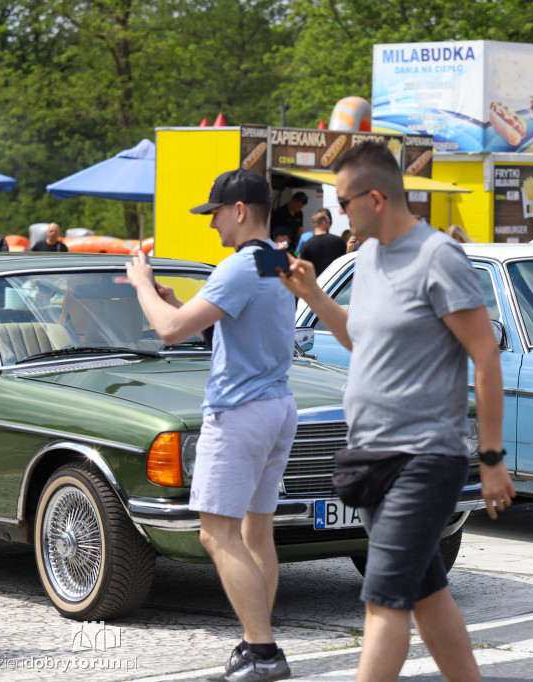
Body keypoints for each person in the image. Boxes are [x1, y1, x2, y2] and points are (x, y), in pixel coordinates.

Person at [279, 141, 514, 682]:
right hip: (372, 457)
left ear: (377, 198)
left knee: (384, 602)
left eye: (344, 201)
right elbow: (360, 338)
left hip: (425, 457)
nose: (340, 213)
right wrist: (313, 294)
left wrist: (493, 455)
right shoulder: (368, 257)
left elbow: (484, 353)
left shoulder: (438, 258)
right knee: (427, 593)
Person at [126, 169, 298, 682]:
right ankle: (255, 642)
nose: (212, 224)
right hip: (277, 406)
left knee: (216, 535)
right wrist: (182, 303)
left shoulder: (239, 265)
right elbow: (241, 326)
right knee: (256, 531)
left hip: (240, 412)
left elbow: (168, 331)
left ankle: (263, 653)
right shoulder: (275, 259)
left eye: (215, 213)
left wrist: (142, 287)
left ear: (240, 211)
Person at [299, 209, 346, 276]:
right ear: (324, 223)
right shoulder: (338, 241)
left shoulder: (306, 245)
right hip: (337, 281)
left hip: (316, 282)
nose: (329, 225)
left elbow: (303, 270)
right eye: (329, 223)